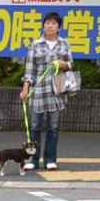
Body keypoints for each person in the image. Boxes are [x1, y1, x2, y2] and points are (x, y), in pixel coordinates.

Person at [19, 11, 73, 171]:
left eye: (54, 23)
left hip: (57, 91)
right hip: (38, 92)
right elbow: (29, 69)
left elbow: (70, 64)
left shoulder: (65, 44)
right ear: (43, 26)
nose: (50, 25)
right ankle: (32, 159)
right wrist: (25, 90)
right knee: (34, 126)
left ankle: (50, 159)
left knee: (53, 127)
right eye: (47, 23)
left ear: (59, 28)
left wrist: (61, 63)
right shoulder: (36, 45)